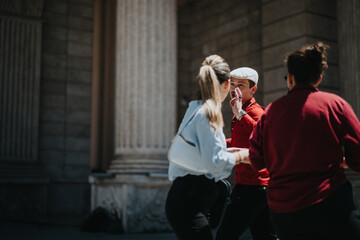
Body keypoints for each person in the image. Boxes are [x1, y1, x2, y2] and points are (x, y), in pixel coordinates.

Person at [249, 42, 360, 240]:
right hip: (330, 203)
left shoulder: (271, 112)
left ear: (289, 78)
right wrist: (345, 160)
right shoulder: (335, 105)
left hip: (284, 212)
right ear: (319, 77)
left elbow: (257, 161)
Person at [165, 55, 248, 240]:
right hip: (190, 204)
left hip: (186, 200)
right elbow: (215, 162)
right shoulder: (208, 113)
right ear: (227, 84)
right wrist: (242, 155)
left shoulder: (196, 108)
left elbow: (205, 154)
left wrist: (232, 153)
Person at [216, 68, 277, 240]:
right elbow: (240, 142)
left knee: (225, 235)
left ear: (253, 89)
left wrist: (240, 114)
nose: (234, 90)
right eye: (233, 84)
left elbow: (263, 138)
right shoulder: (241, 112)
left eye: (241, 85)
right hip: (258, 188)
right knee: (265, 236)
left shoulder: (255, 112)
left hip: (253, 187)